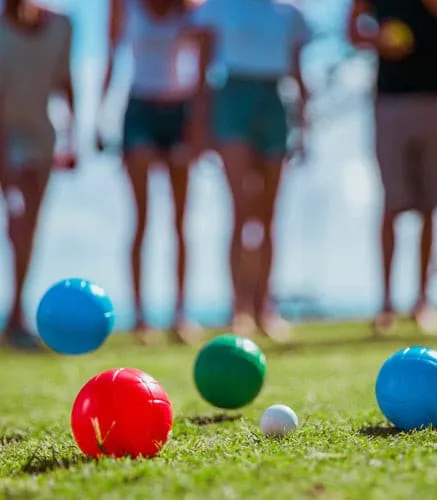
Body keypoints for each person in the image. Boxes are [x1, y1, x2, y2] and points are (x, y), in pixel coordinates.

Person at [348, 0, 437, 335]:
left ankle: (423, 301)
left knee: (430, 206)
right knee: (393, 204)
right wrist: (378, 41)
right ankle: (386, 304)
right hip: (392, 98)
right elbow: (352, 31)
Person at [190, 0, 312, 342]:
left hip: (275, 100)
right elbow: (203, 69)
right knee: (241, 210)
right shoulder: (218, 7)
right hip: (232, 99)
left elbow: (298, 72)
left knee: (269, 215)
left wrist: (305, 121)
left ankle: (264, 308)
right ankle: (238, 309)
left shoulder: (290, 13)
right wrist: (199, 126)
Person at [101, 0, 205, 345]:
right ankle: (140, 317)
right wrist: (101, 115)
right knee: (141, 218)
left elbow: (204, 65)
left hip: (180, 113)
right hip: (139, 112)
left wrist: (199, 123)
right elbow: (111, 56)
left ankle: (180, 314)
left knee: (180, 220)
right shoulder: (123, 6)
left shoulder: (192, 10)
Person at [0, 0, 74, 350]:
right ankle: (14, 318)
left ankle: (16, 316)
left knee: (27, 225)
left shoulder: (62, 26)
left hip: (41, 138)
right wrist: (5, 164)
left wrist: (72, 139)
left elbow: (65, 82)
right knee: (16, 221)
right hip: (4, 135)